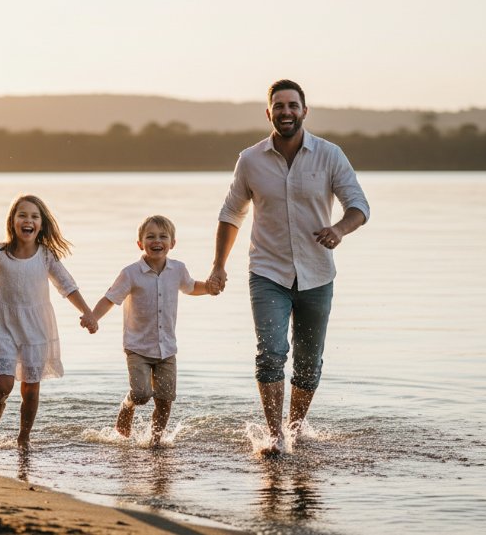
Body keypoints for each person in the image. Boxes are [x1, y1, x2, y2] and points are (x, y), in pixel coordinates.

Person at [207, 79, 370, 454]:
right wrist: (218, 266)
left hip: (317, 274)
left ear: (304, 111)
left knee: (309, 362)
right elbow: (231, 213)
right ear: (269, 113)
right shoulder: (250, 160)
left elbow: (359, 206)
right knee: (270, 352)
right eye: (278, 106)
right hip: (267, 272)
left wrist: (339, 230)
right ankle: (274, 435)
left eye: (292, 106)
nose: (286, 112)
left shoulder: (330, 155)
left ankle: (295, 429)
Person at [0, 194, 97, 448]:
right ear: (12, 221)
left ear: (41, 224)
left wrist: (88, 313)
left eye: (34, 216)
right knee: (4, 383)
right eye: (22, 215)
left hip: (36, 327)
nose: (28, 220)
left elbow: (67, 286)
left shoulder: (46, 255)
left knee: (31, 388)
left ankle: (24, 436)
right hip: (4, 324)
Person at [82, 215, 210, 447]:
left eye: (163, 236)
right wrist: (93, 317)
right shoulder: (131, 273)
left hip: (167, 348)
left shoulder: (178, 269)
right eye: (150, 237)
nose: (157, 241)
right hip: (137, 347)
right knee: (141, 394)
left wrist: (209, 288)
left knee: (165, 400)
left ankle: (156, 441)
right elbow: (110, 298)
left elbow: (191, 287)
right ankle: (127, 405)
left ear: (172, 243)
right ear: (140, 243)